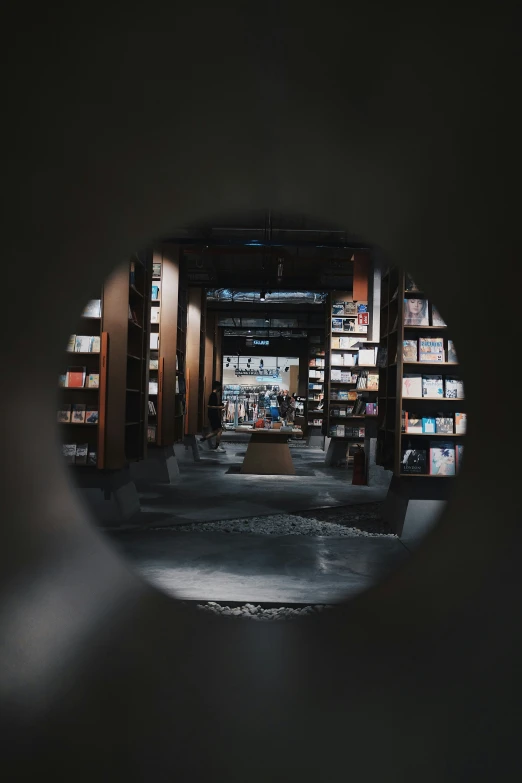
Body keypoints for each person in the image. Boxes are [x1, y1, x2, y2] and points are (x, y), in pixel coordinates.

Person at [199, 381, 226, 452]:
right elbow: (209, 406)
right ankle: (216, 447)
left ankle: (202, 440)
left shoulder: (215, 395)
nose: (221, 388)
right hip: (213, 414)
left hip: (213, 414)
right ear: (217, 387)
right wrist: (219, 407)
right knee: (219, 430)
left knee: (216, 431)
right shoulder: (213, 395)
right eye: (220, 387)